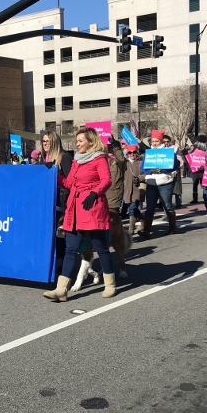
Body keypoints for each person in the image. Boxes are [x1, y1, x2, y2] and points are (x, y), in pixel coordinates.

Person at [44, 127, 115, 302]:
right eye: (77, 141)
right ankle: (61, 290)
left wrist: (94, 193)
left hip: (92, 207)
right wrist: (53, 173)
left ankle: (110, 284)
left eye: (81, 141)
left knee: (101, 248)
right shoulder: (77, 160)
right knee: (70, 249)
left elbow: (107, 180)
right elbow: (69, 183)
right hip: (74, 209)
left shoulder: (99, 158)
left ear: (91, 141)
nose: (78, 144)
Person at [41, 130, 74, 266]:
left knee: (60, 235)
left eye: (48, 141)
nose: (45, 144)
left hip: (61, 202)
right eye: (43, 141)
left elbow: (71, 182)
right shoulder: (44, 159)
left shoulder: (64, 157)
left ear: (54, 142)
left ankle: (61, 261)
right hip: (46, 202)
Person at [141, 131, 179, 237]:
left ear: (161, 141)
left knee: (167, 205)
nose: (154, 143)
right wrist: (150, 171)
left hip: (165, 182)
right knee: (150, 207)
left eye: (156, 141)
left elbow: (175, 165)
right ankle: (146, 230)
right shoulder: (148, 153)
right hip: (152, 183)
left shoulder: (168, 152)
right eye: (153, 141)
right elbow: (143, 168)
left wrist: (164, 170)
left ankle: (172, 228)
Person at [122, 144, 143, 235]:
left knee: (132, 209)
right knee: (134, 209)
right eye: (130, 153)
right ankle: (143, 221)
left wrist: (140, 178)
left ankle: (130, 230)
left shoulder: (141, 162)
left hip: (137, 190)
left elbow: (146, 174)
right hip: (127, 190)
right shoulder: (124, 163)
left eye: (134, 152)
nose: (132, 154)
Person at [162, 134, 185, 209]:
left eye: (167, 141)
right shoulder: (160, 149)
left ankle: (178, 203)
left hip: (175, 170)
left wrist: (178, 163)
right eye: (164, 141)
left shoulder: (175, 148)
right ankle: (166, 203)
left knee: (177, 188)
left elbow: (180, 159)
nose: (166, 143)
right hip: (165, 171)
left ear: (170, 142)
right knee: (167, 188)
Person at [105, 138, 126, 215]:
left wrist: (116, 147)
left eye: (111, 147)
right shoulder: (103, 161)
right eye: (108, 147)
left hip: (114, 194)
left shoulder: (119, 162)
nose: (109, 149)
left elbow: (121, 159)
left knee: (113, 218)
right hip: (103, 193)